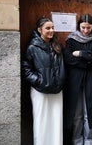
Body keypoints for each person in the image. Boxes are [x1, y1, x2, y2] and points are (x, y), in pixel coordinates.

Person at [63, 14, 92, 145]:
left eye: (88, 28)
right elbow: (68, 59)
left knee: (90, 112)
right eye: (83, 27)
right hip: (75, 80)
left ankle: (89, 140)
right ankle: (76, 140)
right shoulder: (71, 40)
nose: (86, 31)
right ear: (79, 26)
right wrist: (88, 59)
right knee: (76, 114)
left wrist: (81, 54)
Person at [22, 17, 65, 145]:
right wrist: (39, 81)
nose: (51, 30)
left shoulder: (56, 45)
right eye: (48, 28)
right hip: (40, 91)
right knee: (41, 122)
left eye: (52, 27)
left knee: (56, 123)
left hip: (57, 91)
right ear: (39, 29)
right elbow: (26, 69)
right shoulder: (32, 47)